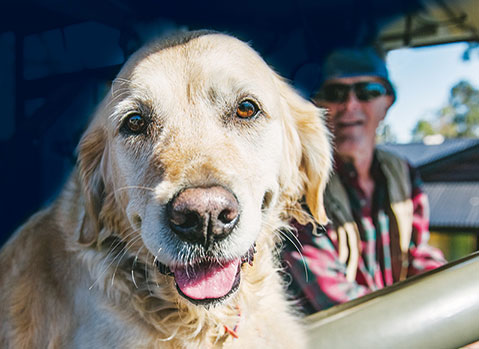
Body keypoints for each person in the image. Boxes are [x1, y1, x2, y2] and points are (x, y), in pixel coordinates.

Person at [283, 47, 446, 313]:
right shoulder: (299, 186)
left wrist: (443, 289)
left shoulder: (402, 172)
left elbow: (418, 253)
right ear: (317, 105)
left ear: (387, 102)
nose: (350, 105)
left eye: (367, 91)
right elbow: (334, 298)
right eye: (335, 93)